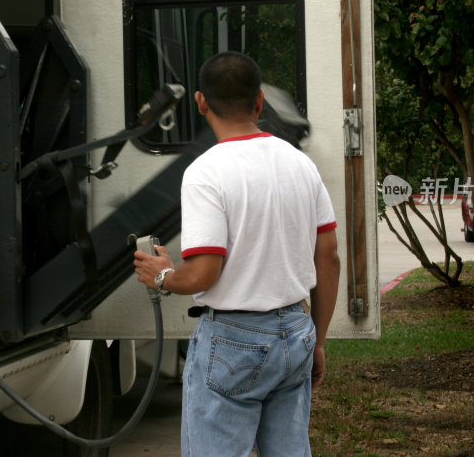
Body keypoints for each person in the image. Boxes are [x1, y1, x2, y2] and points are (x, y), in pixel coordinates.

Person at [133, 51, 339, 457]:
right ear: (260, 101)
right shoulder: (301, 164)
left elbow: (203, 274)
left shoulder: (206, 172)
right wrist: (318, 340)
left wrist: (161, 275)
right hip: (296, 332)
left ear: (200, 102)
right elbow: (328, 257)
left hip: (232, 342)